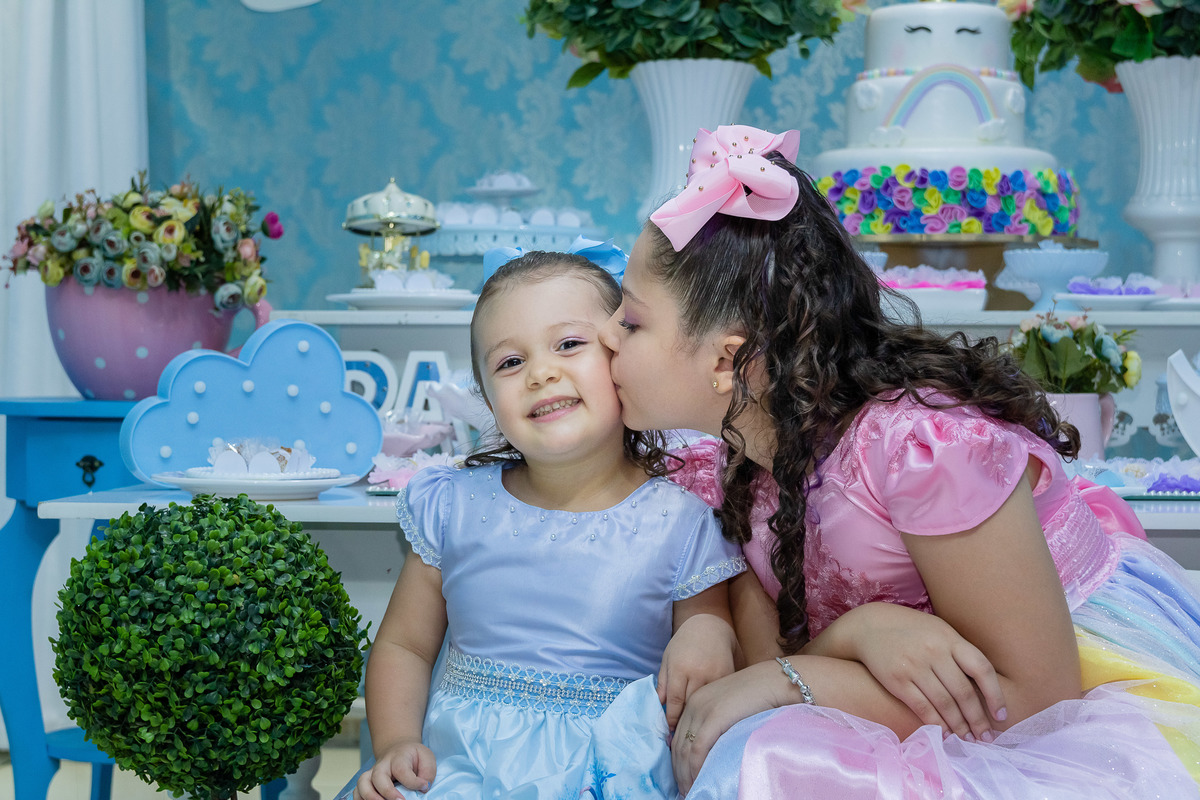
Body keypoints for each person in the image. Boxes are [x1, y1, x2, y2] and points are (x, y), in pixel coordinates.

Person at [598, 124, 1200, 798]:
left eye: (630, 321)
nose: (606, 337)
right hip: (924, 687)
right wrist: (855, 635)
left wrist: (786, 677)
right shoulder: (740, 461)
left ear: (726, 362)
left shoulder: (925, 449)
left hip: (1059, 686)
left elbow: (1037, 698)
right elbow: (782, 656)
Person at [345, 249, 745, 800]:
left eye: (569, 344)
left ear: (621, 359)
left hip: (609, 776)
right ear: (486, 398)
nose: (540, 372)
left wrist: (708, 630)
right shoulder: (453, 506)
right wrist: (394, 743)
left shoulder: (682, 524)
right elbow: (406, 646)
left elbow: (713, 637)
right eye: (510, 362)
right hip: (461, 775)